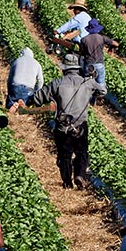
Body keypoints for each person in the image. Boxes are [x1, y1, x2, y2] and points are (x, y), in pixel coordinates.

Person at [18, 53, 104, 189]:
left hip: (62, 125)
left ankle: (67, 182)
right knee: (82, 152)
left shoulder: (56, 83)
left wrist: (26, 103)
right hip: (80, 124)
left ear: (64, 69)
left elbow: (38, 98)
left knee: (65, 155)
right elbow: (103, 91)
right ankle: (79, 175)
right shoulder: (87, 83)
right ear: (78, 68)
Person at [78, 19, 118, 90]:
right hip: (99, 63)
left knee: (86, 83)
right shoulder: (102, 38)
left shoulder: (84, 39)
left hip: (88, 64)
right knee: (101, 83)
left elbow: (81, 53)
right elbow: (116, 44)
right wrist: (111, 49)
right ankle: (100, 94)